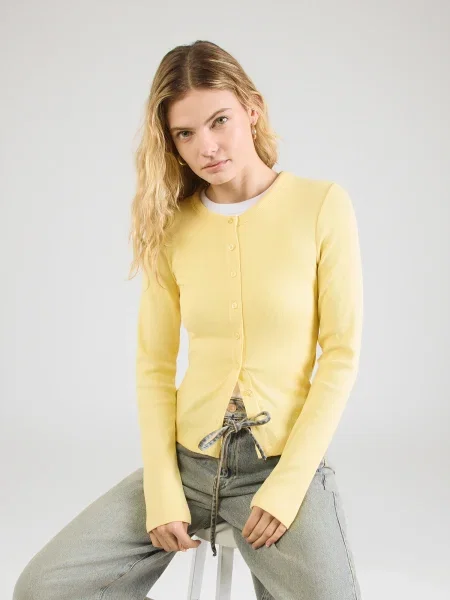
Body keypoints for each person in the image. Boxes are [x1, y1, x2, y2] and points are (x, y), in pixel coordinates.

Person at [13, 40, 364, 600]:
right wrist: (161, 488)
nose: (207, 146)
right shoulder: (172, 226)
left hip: (279, 467)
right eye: (185, 133)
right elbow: (154, 366)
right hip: (187, 467)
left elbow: (341, 354)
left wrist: (290, 483)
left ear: (252, 109)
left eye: (219, 120)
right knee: (43, 587)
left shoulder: (321, 204)